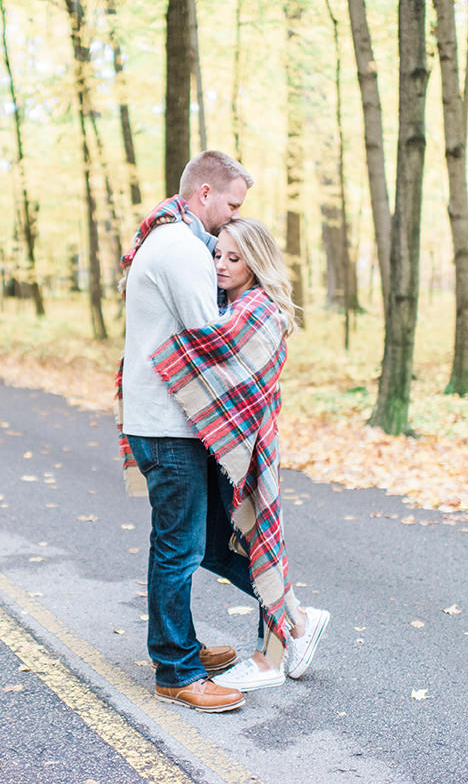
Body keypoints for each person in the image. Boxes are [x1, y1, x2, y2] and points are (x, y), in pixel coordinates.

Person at [150, 217, 330, 693]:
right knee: (211, 546)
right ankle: (297, 617)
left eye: (235, 257)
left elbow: (227, 367)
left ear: (257, 260)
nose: (223, 265)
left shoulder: (258, 310)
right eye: (218, 255)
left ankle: (272, 650)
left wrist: (165, 348)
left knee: (248, 538)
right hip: (222, 442)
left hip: (247, 446)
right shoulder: (226, 305)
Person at [116, 150, 253, 713]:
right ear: (204, 194)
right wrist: (259, 316)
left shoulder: (172, 239)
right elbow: (209, 333)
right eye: (232, 205)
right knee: (179, 547)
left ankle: (179, 645)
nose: (234, 217)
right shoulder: (180, 248)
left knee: (179, 543)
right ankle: (176, 669)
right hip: (170, 425)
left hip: (165, 420)